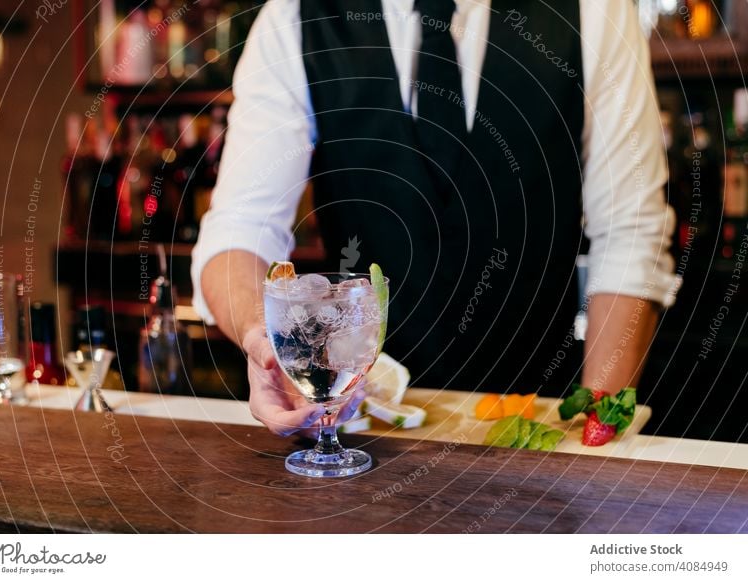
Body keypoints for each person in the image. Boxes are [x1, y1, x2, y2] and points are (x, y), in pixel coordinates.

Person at [192, 0, 679, 436]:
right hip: (360, 429)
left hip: (535, 426)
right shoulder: (295, 17)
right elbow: (239, 229)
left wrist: (598, 426)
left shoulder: (595, 10)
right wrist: (266, 342)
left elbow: (632, 234)